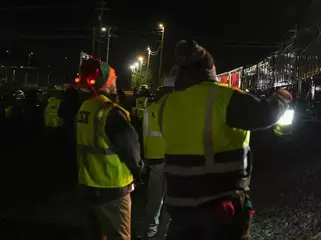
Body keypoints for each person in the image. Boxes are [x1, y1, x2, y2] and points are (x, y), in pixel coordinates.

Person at [160, 40, 291, 240]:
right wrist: (280, 98)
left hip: (179, 205)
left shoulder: (167, 104)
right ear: (208, 68)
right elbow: (264, 115)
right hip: (220, 205)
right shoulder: (223, 97)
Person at [75, 58, 146, 240]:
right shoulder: (111, 112)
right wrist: (140, 172)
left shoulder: (85, 108)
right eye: (113, 79)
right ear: (105, 84)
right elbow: (131, 149)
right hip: (113, 188)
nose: (116, 82)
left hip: (88, 186)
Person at [137, 77, 175, 240]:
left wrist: (145, 157)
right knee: (173, 198)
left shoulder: (150, 107)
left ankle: (150, 229)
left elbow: (144, 134)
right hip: (174, 159)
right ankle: (167, 231)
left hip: (154, 159)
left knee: (155, 198)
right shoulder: (176, 107)